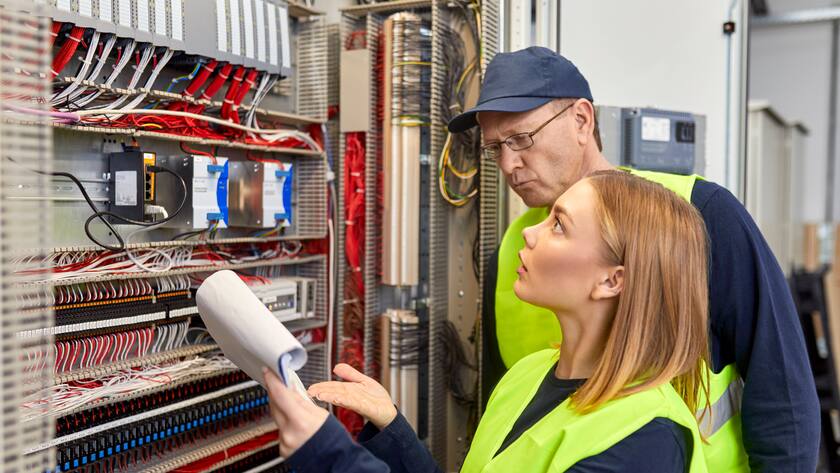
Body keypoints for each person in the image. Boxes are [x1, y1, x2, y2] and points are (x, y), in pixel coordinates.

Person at [445, 47, 819, 472]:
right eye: (496, 148)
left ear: (582, 120)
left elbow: (782, 387)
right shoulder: (514, 250)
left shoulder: (700, 215)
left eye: (522, 139)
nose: (509, 164)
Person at [264, 170, 715, 472]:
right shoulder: (530, 373)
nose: (530, 232)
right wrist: (394, 429)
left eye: (559, 225)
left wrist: (331, 458)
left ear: (612, 280)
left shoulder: (648, 440)